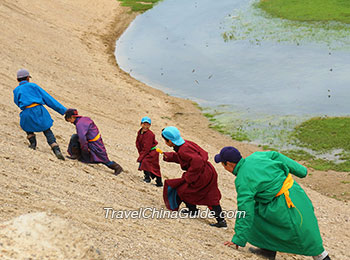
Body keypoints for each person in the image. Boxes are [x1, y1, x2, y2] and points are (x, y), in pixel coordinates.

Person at [214, 146, 331, 260]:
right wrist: (301, 171)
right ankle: (267, 250)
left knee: (304, 233)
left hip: (286, 204)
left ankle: (322, 257)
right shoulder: (256, 156)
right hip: (295, 191)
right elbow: (276, 155)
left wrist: (238, 240)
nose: (224, 168)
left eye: (223, 164)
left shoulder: (242, 180)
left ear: (228, 164)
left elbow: (245, 211)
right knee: (258, 213)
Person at [161, 126, 226, 227]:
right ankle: (196, 212)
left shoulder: (183, 149)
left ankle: (220, 221)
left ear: (170, 141)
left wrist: (188, 177)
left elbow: (197, 162)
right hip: (208, 171)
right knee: (210, 195)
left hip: (201, 174)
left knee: (184, 190)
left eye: (166, 141)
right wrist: (169, 156)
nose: (165, 143)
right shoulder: (185, 144)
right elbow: (185, 158)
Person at [13, 69, 66, 160]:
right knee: (46, 129)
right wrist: (63, 111)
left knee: (27, 127)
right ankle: (56, 149)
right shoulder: (33, 86)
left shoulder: (16, 90)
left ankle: (33, 144)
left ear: (18, 80)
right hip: (38, 110)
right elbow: (48, 99)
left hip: (26, 112)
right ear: (28, 78)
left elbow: (17, 102)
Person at [64, 109, 123, 176]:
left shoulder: (79, 124)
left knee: (102, 159)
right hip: (94, 141)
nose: (70, 122)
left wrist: (85, 150)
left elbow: (82, 138)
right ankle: (76, 155)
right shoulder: (85, 119)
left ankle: (116, 167)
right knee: (75, 137)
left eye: (69, 120)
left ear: (72, 117)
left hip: (94, 144)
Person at [136, 117, 162, 187]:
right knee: (146, 163)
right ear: (141, 124)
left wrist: (141, 156)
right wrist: (140, 153)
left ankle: (156, 181)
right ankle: (147, 177)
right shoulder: (140, 132)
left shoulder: (150, 134)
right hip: (146, 151)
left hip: (152, 152)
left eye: (147, 125)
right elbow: (138, 142)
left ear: (150, 126)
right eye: (144, 124)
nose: (145, 126)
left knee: (148, 164)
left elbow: (147, 147)